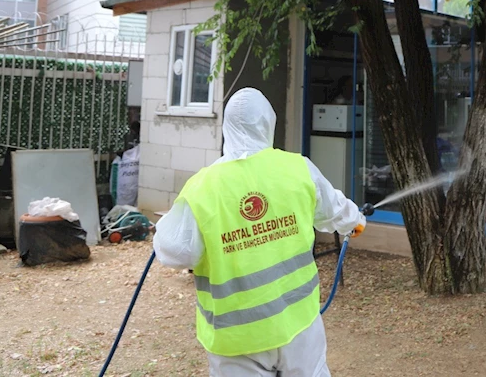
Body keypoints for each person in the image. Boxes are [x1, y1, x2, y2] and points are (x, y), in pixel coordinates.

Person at [153, 87, 366, 377]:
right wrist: (356, 221)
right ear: (268, 124)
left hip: (237, 339)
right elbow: (337, 210)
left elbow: (175, 251)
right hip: (298, 326)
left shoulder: (202, 187)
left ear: (227, 127)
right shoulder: (297, 168)